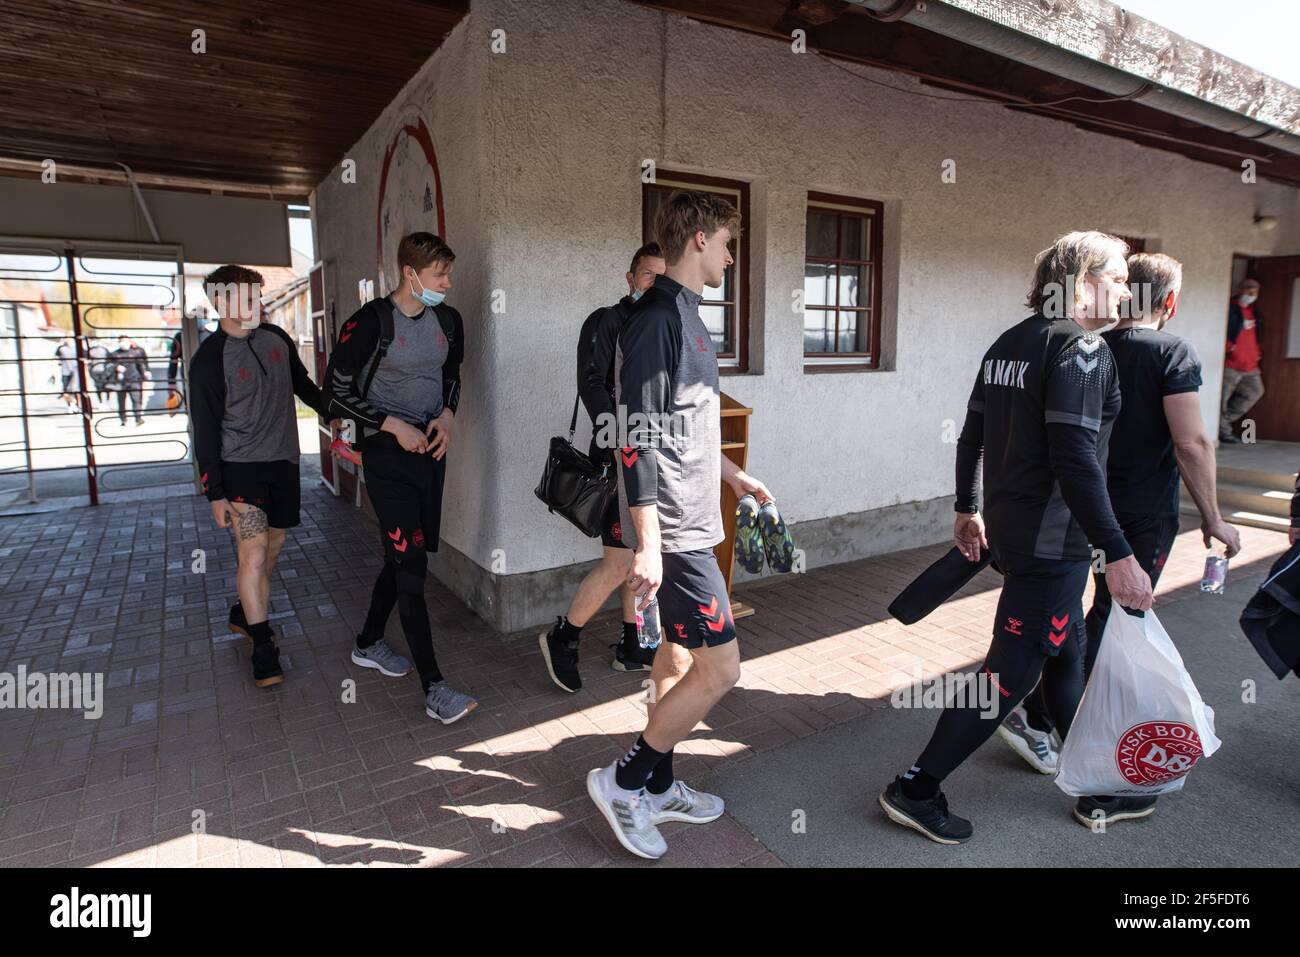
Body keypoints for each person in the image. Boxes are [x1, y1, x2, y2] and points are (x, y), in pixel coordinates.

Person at [878, 231, 1154, 845]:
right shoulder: (1082, 349)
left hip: (1023, 535)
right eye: (1116, 273)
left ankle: (1092, 777)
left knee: (1067, 654)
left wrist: (967, 507)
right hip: (1053, 547)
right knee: (1007, 674)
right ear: (1082, 278)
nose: (1126, 286)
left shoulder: (1010, 342)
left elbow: (971, 434)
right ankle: (917, 788)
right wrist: (1121, 554)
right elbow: (1077, 456)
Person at [999, 253, 1243, 797]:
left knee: (1081, 615)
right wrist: (1214, 516)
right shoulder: (1171, 351)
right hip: (1137, 515)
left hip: (1081, 511)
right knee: (1114, 618)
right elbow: (1191, 441)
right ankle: (1053, 723)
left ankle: (1039, 713)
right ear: (1170, 303)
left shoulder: (1089, 345)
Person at [586, 189, 775, 860]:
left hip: (697, 517)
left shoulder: (691, 317)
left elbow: (685, 421)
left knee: (679, 657)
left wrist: (733, 476)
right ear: (698, 239)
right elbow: (634, 436)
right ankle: (624, 779)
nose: (731, 252)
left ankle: (659, 785)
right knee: (723, 669)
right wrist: (652, 544)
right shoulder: (654, 322)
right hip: (675, 529)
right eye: (727, 240)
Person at [323, 232, 475, 724]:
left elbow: (452, 373)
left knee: (407, 554)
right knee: (411, 568)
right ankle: (434, 688)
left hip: (431, 448)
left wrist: (448, 416)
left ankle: (368, 641)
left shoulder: (447, 321)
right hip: (387, 451)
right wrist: (390, 425)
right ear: (411, 274)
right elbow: (335, 392)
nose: (447, 284)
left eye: (448, 274)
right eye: (439, 275)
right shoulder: (370, 323)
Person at [540, 242, 684, 692]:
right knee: (622, 560)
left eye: (663, 278)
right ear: (630, 278)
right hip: (620, 456)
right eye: (647, 275)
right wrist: (622, 437)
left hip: (653, 456)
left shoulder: (665, 322)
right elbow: (592, 386)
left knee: (635, 556)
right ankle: (563, 637)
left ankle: (632, 644)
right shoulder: (607, 320)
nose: (654, 284)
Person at [189, 265, 334, 688]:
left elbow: (303, 385)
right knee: (252, 554)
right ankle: (264, 648)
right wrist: (215, 494)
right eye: (247, 297)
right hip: (240, 469)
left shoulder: (277, 339)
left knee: (274, 545)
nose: (258, 303)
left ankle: (242, 611)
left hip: (283, 462)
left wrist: (334, 413)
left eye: (258, 295)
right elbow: (206, 430)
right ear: (220, 302)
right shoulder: (208, 361)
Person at [1219, 278, 1264, 444]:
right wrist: (1230, 348)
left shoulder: (1255, 311)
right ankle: (1224, 431)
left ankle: (1221, 423)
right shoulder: (1231, 308)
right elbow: (1223, 329)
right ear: (1241, 290)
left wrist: (1257, 353)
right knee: (1222, 399)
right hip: (1232, 364)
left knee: (1255, 392)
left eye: (1255, 290)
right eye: (1249, 289)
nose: (1252, 294)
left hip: (1251, 365)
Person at [168, 308, 213, 413]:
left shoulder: (212, 336)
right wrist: (171, 382)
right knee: (191, 403)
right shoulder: (180, 337)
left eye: (203, 317)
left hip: (210, 377)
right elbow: (173, 360)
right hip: (188, 377)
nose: (200, 319)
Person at [108, 334, 149, 426]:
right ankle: (123, 419)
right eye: (122, 341)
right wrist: (116, 367)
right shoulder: (114, 354)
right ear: (119, 342)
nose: (124, 343)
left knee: (136, 400)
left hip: (134, 380)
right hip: (120, 382)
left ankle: (138, 419)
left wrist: (144, 379)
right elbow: (108, 366)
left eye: (126, 341)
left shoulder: (135, 353)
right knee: (121, 402)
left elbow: (140, 366)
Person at [55, 337, 78, 412]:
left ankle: (76, 405)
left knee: (76, 390)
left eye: (69, 339)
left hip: (76, 372)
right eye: (66, 339)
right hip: (65, 372)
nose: (68, 340)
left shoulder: (76, 348)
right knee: (66, 391)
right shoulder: (61, 348)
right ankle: (70, 405)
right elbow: (56, 359)